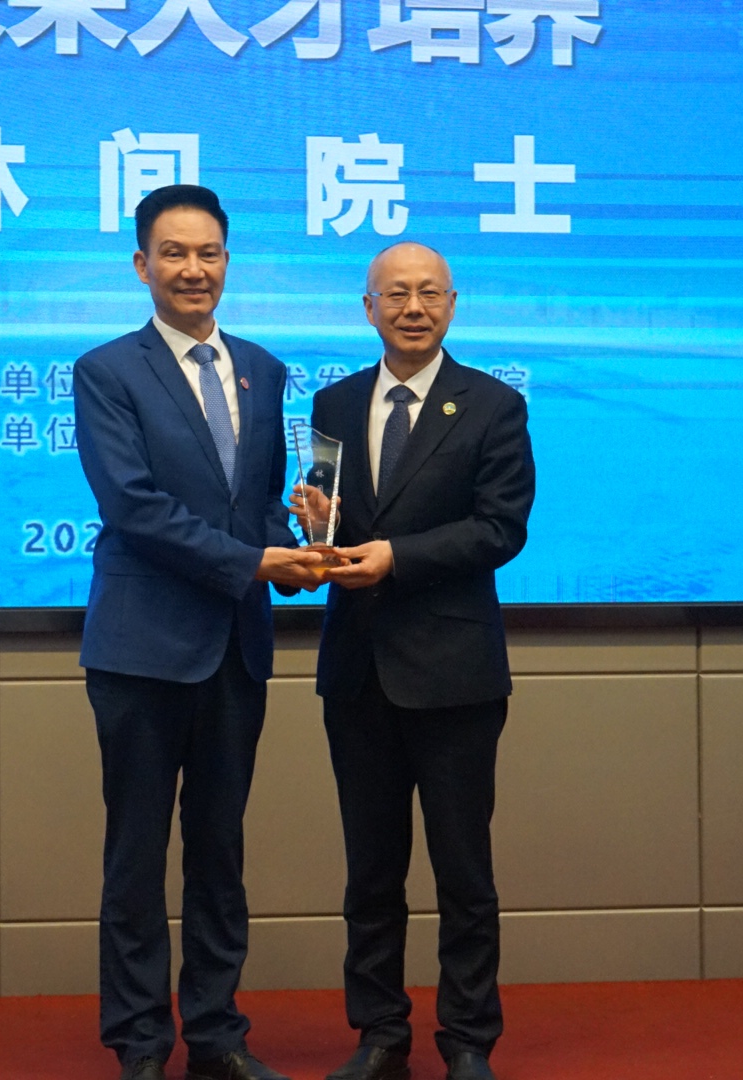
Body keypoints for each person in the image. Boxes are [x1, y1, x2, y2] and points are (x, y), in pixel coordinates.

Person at [73, 184, 324, 1080]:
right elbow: (133, 507)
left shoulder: (262, 368)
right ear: (141, 265)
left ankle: (217, 1035)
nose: (193, 269)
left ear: (228, 261)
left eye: (208, 253)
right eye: (174, 253)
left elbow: (256, 506)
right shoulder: (108, 371)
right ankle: (141, 1043)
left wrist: (303, 542)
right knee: (137, 857)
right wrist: (256, 562)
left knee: (221, 852)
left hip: (235, 649)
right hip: (142, 649)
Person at [301, 242, 536, 1080]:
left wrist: (396, 556)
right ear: (368, 307)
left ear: (453, 304)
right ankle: (380, 1035)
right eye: (395, 294)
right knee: (370, 871)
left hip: (454, 675)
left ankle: (468, 1039)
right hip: (357, 671)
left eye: (429, 293)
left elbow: (500, 529)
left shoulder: (493, 405)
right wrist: (315, 529)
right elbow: (329, 520)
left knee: (464, 872)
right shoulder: (333, 402)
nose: (413, 307)